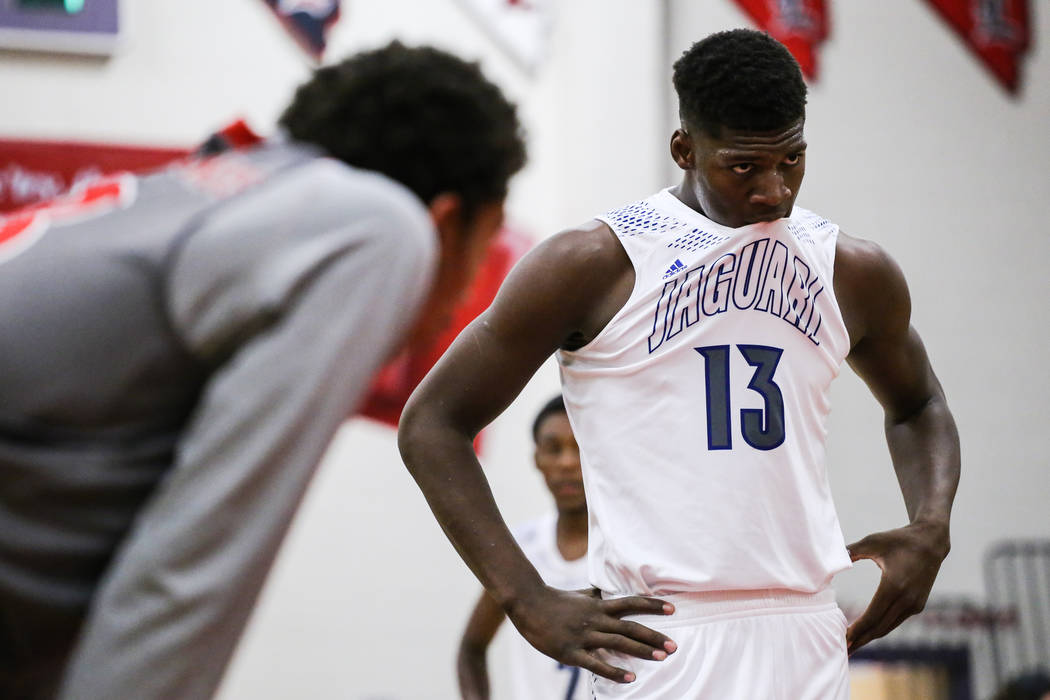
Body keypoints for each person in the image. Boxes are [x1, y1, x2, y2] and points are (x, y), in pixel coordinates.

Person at [399, 28, 960, 699]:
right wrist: (524, 595)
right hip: (667, 632)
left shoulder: (850, 269)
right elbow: (432, 423)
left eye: (792, 159)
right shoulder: (594, 263)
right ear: (685, 149)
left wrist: (931, 525)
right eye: (745, 167)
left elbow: (920, 403)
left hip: (807, 624)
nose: (774, 191)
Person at [0, 42, 525, 699]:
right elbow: (191, 569)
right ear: (449, 223)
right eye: (487, 249)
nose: (475, 284)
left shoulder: (211, 188)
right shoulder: (376, 224)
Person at [458, 395, 590, 700]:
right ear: (537, 460)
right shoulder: (520, 550)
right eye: (554, 449)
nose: (567, 462)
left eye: (580, 448)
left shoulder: (629, 547)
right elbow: (472, 647)